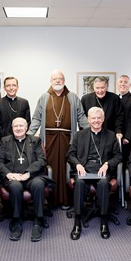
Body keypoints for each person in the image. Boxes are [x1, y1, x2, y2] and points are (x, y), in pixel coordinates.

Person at [27, 69, 89, 209]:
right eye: (55, 79)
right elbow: (36, 118)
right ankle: (51, 200)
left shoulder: (73, 97)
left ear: (64, 81)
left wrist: (91, 130)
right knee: (50, 168)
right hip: (48, 139)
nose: (57, 81)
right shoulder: (44, 97)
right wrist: (29, 135)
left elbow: (81, 117)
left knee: (67, 167)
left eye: (60, 78)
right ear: (50, 81)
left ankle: (66, 200)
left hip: (68, 138)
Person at [67, 107, 122, 240]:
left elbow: (118, 156)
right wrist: (78, 164)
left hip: (102, 170)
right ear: (88, 119)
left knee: (103, 183)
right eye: (93, 118)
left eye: (99, 118)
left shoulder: (110, 135)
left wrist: (107, 164)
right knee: (79, 183)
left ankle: (104, 221)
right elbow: (70, 154)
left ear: (103, 119)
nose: (96, 121)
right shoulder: (80, 135)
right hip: (84, 169)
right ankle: (77, 222)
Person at [0, 117, 55, 242]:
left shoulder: (35, 141)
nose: (18, 128)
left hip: (32, 176)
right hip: (13, 177)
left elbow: (42, 160)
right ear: (12, 128)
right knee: (15, 186)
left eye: (21, 126)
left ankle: (38, 220)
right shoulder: (5, 141)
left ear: (26, 127)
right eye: (15, 126)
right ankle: (16, 220)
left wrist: (28, 173)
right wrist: (9, 174)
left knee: (39, 184)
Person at [117, 74, 131, 175]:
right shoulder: (115, 98)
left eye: (125, 82)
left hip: (127, 139)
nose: (123, 84)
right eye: (121, 82)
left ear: (130, 85)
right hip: (116, 136)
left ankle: (126, 189)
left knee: (126, 162)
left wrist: (127, 137)